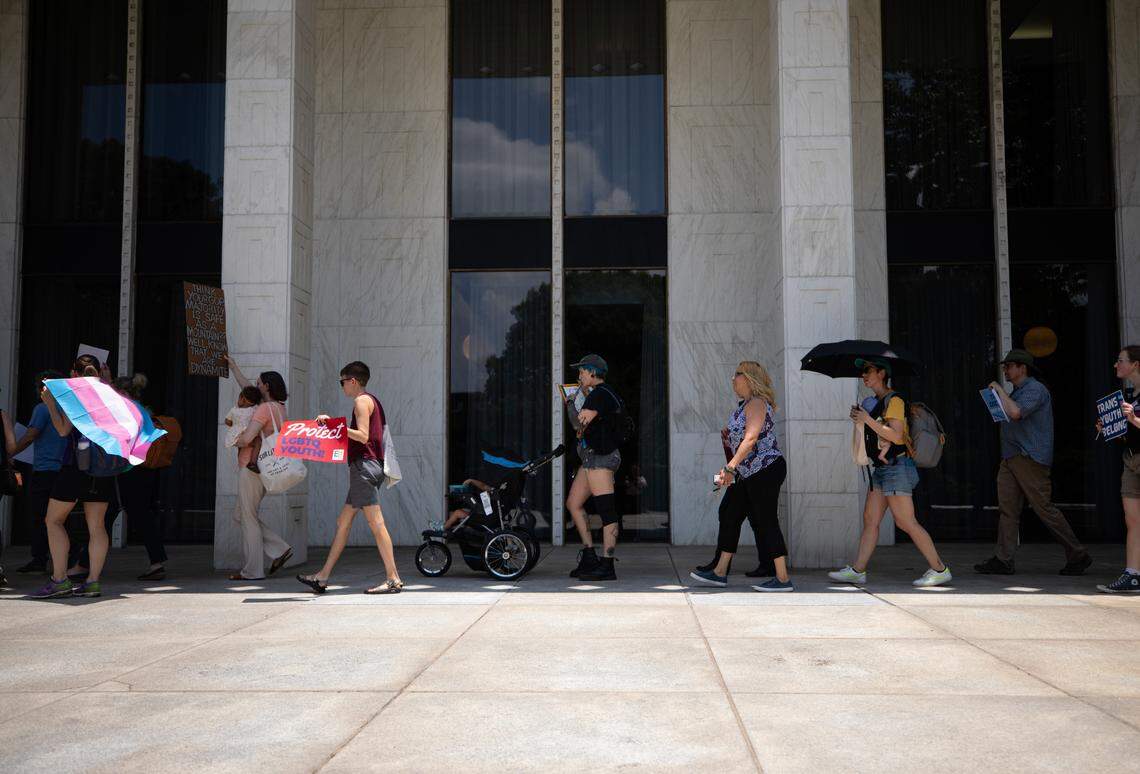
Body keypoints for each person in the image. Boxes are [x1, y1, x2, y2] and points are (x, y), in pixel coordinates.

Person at [829, 357, 952, 587]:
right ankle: (858, 570)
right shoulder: (875, 402)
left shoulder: (895, 400)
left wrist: (867, 419)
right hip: (883, 469)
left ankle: (939, 569)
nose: (864, 376)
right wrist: (861, 420)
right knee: (871, 520)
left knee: (905, 521)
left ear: (882, 373)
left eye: (868, 371)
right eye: (862, 372)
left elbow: (896, 436)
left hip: (898, 467)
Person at [974, 349, 1091, 576]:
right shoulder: (1017, 392)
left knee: (1043, 508)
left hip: (1030, 458)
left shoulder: (1035, 389)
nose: (1005, 370)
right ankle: (1003, 559)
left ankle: (1078, 553)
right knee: (1008, 510)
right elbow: (1008, 414)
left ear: (1022, 368)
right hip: (1011, 458)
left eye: (1009, 366)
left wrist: (998, 389)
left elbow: (1016, 413)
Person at [297, 361, 404, 594]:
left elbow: (363, 436)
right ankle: (322, 577)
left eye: (342, 381)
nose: (342, 386)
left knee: (376, 524)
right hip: (369, 467)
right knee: (343, 523)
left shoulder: (361, 401)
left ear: (353, 381)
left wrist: (334, 426)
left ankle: (393, 578)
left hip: (363, 468)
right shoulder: (373, 400)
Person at [689, 361, 793, 591]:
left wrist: (730, 468)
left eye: (736, 375)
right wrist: (731, 465)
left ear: (748, 377)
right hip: (748, 472)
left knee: (766, 520)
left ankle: (783, 579)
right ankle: (719, 571)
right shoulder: (744, 405)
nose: (732, 380)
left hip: (765, 469)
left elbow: (751, 438)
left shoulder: (756, 403)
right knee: (729, 513)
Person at [31, 355, 115, 598]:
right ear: (101, 371)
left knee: (53, 521)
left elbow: (62, 429)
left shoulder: (74, 395)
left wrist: (49, 402)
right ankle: (93, 582)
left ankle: (60, 580)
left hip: (75, 467)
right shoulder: (109, 396)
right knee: (97, 527)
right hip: (103, 469)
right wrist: (108, 384)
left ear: (73, 373)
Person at [225, 355, 294, 581]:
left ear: (266, 386)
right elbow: (245, 387)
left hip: (252, 468)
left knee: (248, 517)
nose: (254, 385)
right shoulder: (278, 407)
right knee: (241, 515)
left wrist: (234, 439)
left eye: (258, 383)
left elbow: (247, 439)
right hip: (264, 469)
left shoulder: (264, 410)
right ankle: (279, 548)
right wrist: (233, 365)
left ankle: (253, 570)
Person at [563, 354, 625, 581]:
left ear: (592, 373)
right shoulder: (597, 396)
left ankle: (607, 565)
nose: (579, 376)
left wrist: (570, 402)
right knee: (574, 503)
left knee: (606, 510)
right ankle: (590, 556)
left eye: (581, 372)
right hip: (591, 458)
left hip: (601, 458)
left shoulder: (600, 394)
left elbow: (577, 424)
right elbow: (582, 431)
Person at [4, 370, 67, 574]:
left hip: (44, 470)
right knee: (60, 519)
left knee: (40, 516)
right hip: (63, 470)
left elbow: (31, 436)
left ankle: (39, 559)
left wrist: (10, 452)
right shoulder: (68, 409)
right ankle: (67, 560)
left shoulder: (42, 409)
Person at [1097, 346, 1140, 593]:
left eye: (1120, 360)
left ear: (1135, 364)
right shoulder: (1129, 395)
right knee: (1133, 520)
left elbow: (1135, 422)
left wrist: (1133, 419)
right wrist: (1111, 427)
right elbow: (1128, 434)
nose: (1116, 365)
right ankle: (1133, 573)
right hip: (1131, 460)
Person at [225, 385, 264, 473]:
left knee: (240, 449)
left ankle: (240, 462)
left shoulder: (234, 410)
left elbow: (227, 421)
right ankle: (253, 462)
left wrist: (235, 425)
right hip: (246, 435)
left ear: (243, 399)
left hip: (234, 436)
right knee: (258, 441)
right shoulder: (254, 409)